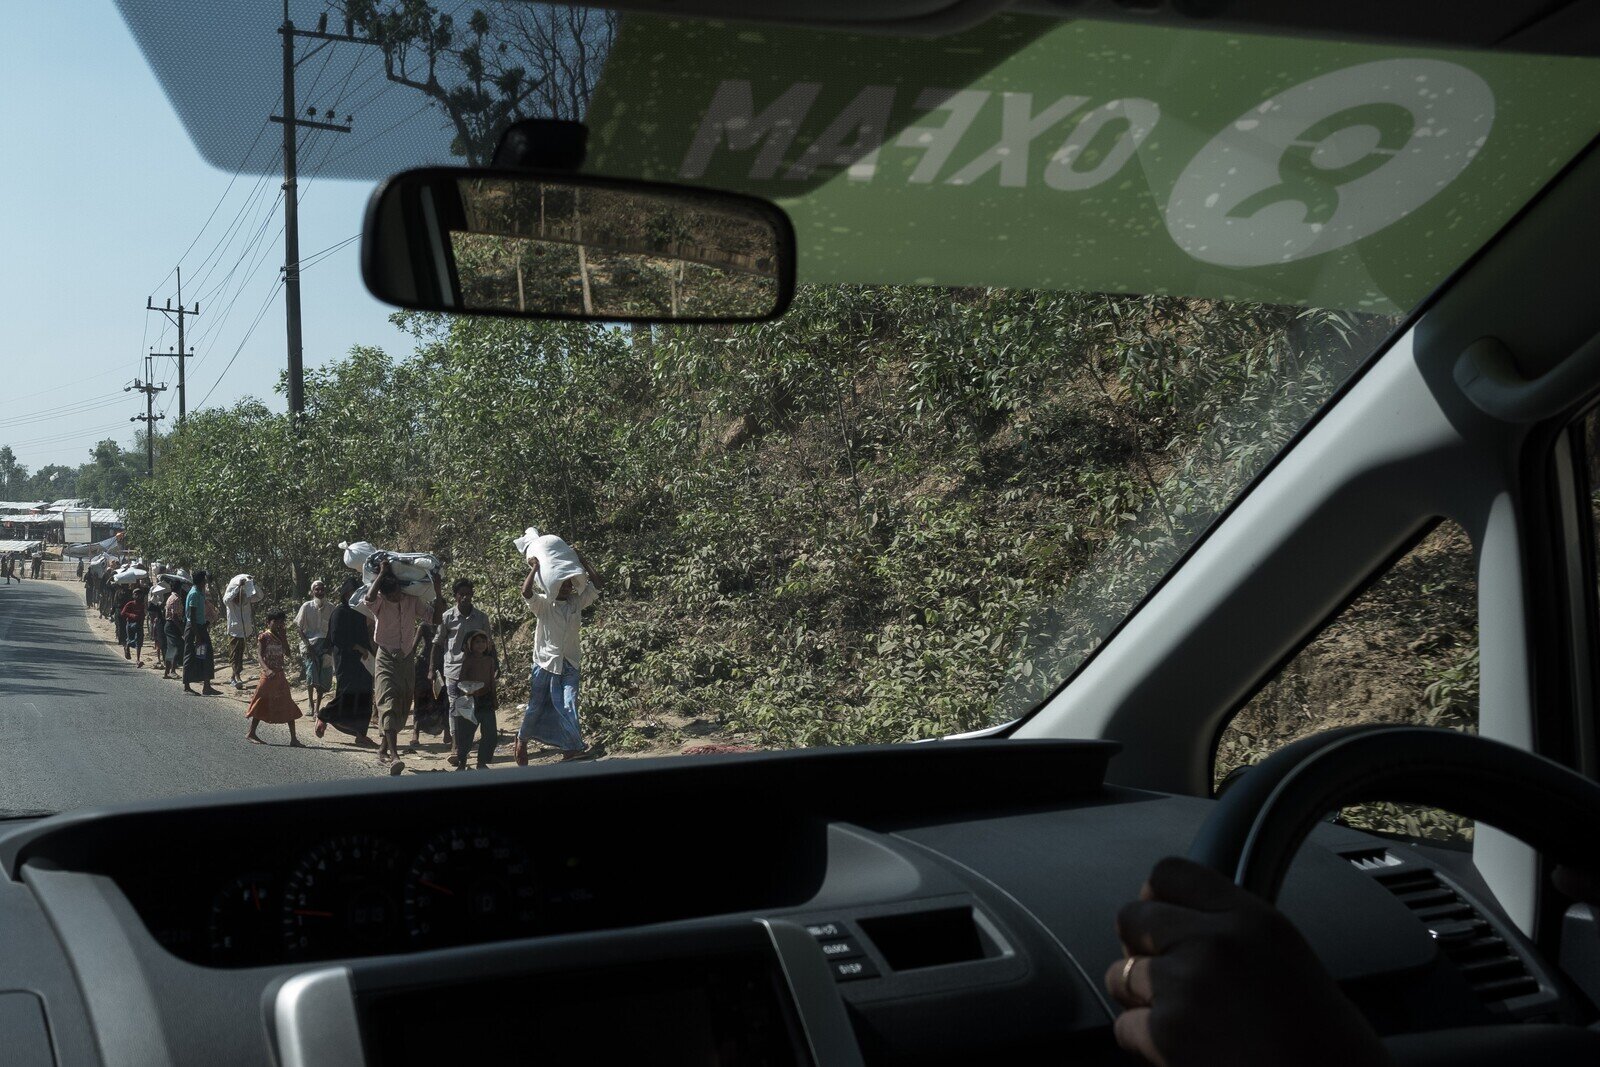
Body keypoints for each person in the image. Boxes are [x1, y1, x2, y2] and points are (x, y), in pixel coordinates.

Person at [515, 547, 603, 765]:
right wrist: (535, 567)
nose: (566, 587)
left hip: (570, 662)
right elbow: (526, 592)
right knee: (535, 708)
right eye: (562, 583)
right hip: (545, 662)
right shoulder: (545, 603)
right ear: (554, 584)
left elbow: (598, 585)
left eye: (569, 583)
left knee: (569, 703)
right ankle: (522, 739)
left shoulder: (576, 602)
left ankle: (571, 748)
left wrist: (582, 560)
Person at [364, 560, 444, 771]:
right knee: (387, 702)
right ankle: (395, 756)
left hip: (406, 659)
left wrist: (438, 591)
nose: (396, 597)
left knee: (401, 704)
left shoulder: (411, 600)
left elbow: (435, 619)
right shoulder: (379, 601)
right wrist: (381, 574)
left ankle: (382, 749)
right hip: (386, 658)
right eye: (391, 595)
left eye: (397, 592)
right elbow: (369, 598)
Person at [431, 577, 492, 750]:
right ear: (455, 596)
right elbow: (437, 643)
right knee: (454, 705)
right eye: (461, 594)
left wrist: (494, 667)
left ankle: (466, 741)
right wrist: (432, 669)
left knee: (471, 706)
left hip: (475, 671)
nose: (465, 597)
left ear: (472, 595)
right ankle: (456, 744)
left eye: (468, 594)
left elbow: (489, 644)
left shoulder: (481, 618)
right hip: (453, 668)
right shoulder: (447, 617)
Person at [322, 576, 377, 746]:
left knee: (365, 693)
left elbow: (365, 634)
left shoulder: (361, 612)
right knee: (347, 692)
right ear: (346, 594)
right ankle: (324, 715)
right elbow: (337, 637)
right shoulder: (339, 612)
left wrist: (369, 650)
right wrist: (357, 648)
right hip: (345, 658)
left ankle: (361, 733)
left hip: (363, 659)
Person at [244, 610, 305, 746]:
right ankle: (251, 732)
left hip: (279, 674)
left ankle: (293, 739)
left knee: (287, 703)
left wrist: (284, 637)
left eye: (281, 622)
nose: (278, 624)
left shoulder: (280, 636)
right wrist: (266, 669)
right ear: (269, 622)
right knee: (261, 701)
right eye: (276, 621)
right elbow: (259, 655)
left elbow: (288, 653)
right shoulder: (264, 636)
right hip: (268, 675)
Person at [449, 630, 499, 770]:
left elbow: (491, 681)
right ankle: (462, 761)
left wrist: (494, 699)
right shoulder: (468, 661)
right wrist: (465, 695)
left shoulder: (489, 660)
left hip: (486, 700)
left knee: (490, 733)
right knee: (466, 732)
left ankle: (482, 762)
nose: (481, 645)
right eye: (477, 642)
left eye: (483, 642)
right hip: (470, 700)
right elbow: (462, 680)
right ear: (470, 644)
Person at [294, 580, 335, 717]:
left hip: (326, 646)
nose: (320, 592)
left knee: (323, 677)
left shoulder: (331, 607)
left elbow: (333, 630)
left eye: (322, 589)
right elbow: (299, 628)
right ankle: (310, 705)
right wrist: (307, 645)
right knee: (311, 676)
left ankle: (317, 708)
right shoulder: (306, 606)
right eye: (317, 589)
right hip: (310, 645)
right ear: (312, 592)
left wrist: (329, 647)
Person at [182, 569, 222, 696]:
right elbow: (192, 616)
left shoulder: (200, 592)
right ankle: (187, 686)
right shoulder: (194, 593)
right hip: (194, 629)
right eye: (204, 579)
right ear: (201, 581)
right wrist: (198, 636)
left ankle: (206, 686)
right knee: (190, 655)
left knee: (204, 655)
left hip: (200, 627)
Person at [223, 574, 257, 691]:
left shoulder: (246, 599)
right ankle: (236, 677)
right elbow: (226, 599)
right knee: (234, 654)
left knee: (240, 654)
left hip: (244, 631)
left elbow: (259, 596)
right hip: (234, 631)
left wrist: (253, 584)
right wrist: (238, 587)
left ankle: (234, 676)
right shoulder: (230, 602)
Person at [120, 579, 149, 667]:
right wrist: (132, 615)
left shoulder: (142, 605)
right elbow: (123, 613)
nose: (138, 596)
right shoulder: (130, 604)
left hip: (139, 625)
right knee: (130, 640)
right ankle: (127, 647)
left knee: (139, 643)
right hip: (130, 624)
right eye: (136, 594)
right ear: (133, 595)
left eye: (139, 594)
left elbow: (144, 614)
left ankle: (138, 660)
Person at [162, 579, 186, 679]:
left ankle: (167, 671)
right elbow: (175, 616)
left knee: (171, 648)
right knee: (176, 647)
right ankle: (172, 670)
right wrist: (181, 629)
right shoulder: (176, 599)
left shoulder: (170, 597)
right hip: (173, 625)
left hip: (170, 625)